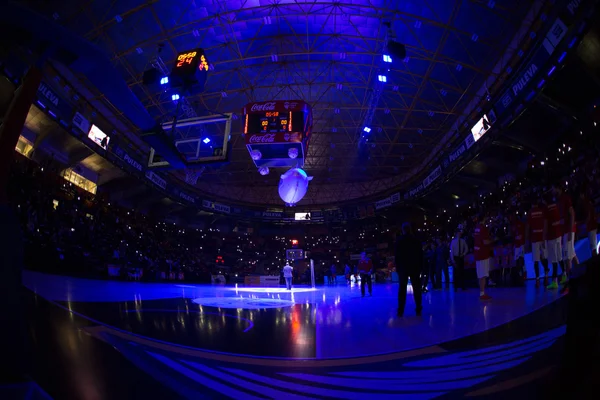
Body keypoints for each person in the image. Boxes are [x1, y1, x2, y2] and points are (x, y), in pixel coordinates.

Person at [395, 223, 423, 317]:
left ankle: (400, 310)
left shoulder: (399, 241)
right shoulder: (416, 240)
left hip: (403, 268)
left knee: (402, 289)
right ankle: (418, 308)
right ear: (410, 229)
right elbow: (420, 255)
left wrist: (398, 269)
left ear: (403, 230)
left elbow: (397, 257)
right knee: (416, 288)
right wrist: (420, 267)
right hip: (415, 267)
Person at [528, 197, 549, 287]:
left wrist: (527, 240)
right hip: (542, 237)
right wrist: (544, 236)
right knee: (543, 257)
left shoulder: (530, 213)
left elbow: (528, 227)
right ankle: (546, 275)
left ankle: (537, 280)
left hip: (535, 239)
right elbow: (545, 223)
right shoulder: (542, 211)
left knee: (536, 260)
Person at [545, 192, 564, 289]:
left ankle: (554, 282)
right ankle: (564, 276)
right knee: (559, 257)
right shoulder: (556, 206)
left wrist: (544, 237)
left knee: (554, 260)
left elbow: (546, 224)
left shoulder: (547, 209)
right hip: (558, 234)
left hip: (552, 236)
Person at [474, 214, 493, 300]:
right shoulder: (483, 228)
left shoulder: (476, 228)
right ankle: (482, 294)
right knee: (483, 275)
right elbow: (485, 242)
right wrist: (492, 240)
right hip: (483, 254)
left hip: (477, 254)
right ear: (484, 218)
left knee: (480, 275)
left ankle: (481, 292)